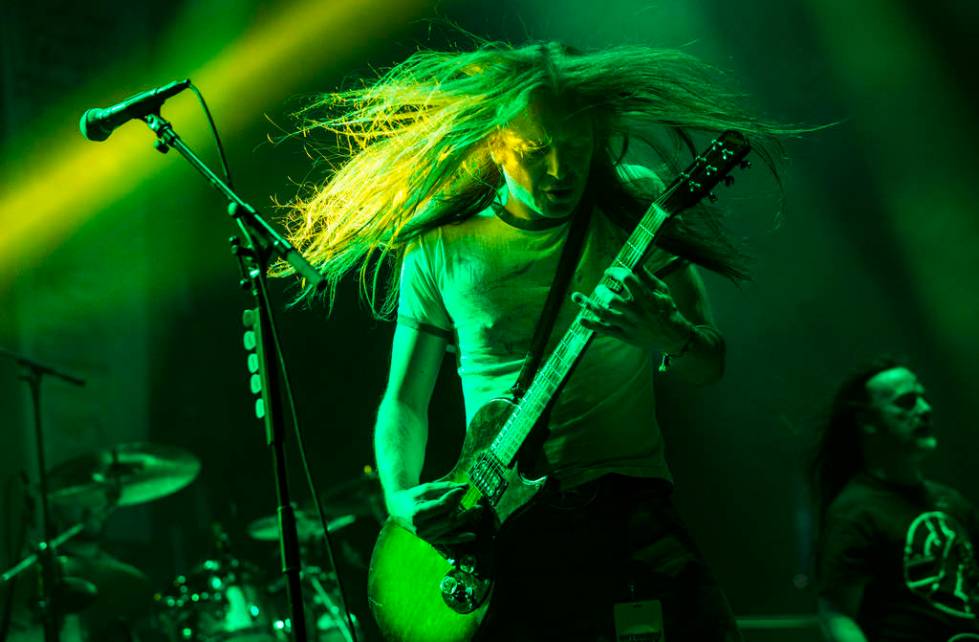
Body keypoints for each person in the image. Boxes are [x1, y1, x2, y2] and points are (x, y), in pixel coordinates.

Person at [282, 39, 787, 641]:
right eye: (536, 150)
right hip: (499, 528)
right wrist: (400, 499)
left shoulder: (633, 201)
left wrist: (667, 333)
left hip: (628, 506)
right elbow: (404, 402)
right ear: (494, 143)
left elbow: (711, 363)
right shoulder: (443, 245)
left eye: (576, 147)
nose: (560, 171)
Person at [812, 358, 979, 642]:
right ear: (867, 421)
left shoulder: (952, 501)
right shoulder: (855, 511)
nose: (925, 409)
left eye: (923, 398)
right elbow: (838, 614)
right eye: (907, 401)